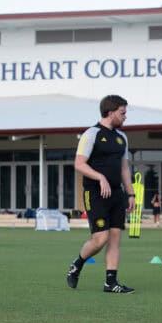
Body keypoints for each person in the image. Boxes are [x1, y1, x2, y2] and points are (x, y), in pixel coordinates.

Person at [65, 95, 136, 294]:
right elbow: (79, 164)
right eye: (122, 113)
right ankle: (76, 265)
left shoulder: (122, 138)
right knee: (100, 239)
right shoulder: (91, 134)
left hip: (116, 194)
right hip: (95, 193)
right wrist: (100, 178)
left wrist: (131, 194)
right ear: (110, 112)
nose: (125, 117)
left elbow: (124, 168)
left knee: (114, 238)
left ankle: (110, 283)